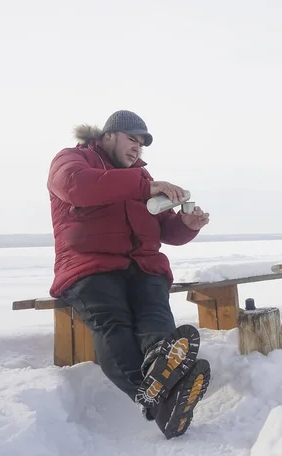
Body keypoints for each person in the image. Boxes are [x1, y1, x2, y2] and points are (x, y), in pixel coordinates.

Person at [46, 109, 211, 439]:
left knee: (155, 317)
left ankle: (161, 382)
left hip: (143, 266)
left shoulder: (142, 180)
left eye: (142, 144)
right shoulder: (73, 161)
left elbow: (162, 229)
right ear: (108, 136)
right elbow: (79, 188)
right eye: (131, 139)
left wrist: (185, 225)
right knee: (113, 322)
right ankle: (155, 397)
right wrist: (143, 185)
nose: (138, 148)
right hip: (89, 266)